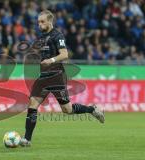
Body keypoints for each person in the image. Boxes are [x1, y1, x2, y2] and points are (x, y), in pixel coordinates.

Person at [20, 10, 105, 147]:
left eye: (42, 22)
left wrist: (51, 59)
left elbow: (64, 54)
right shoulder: (41, 37)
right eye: (38, 22)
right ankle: (27, 139)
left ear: (49, 21)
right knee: (32, 105)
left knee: (67, 110)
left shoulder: (57, 35)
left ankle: (92, 110)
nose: (39, 24)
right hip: (43, 77)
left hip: (56, 76)